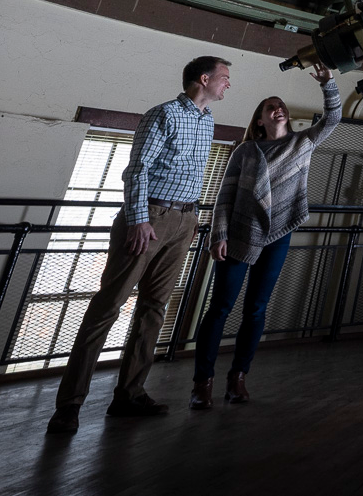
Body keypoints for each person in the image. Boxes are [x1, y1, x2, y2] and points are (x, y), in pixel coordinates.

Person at [47, 56, 231, 433]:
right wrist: (138, 219)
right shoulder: (162, 114)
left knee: (154, 309)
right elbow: (137, 170)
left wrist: (191, 222)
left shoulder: (207, 119)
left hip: (184, 221)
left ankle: (129, 395)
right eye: (225, 78)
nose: (229, 85)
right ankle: (68, 406)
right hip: (150, 218)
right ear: (204, 78)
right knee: (107, 307)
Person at [189, 61, 341, 409]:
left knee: (256, 309)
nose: (278, 109)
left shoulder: (302, 143)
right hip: (240, 235)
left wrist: (328, 83)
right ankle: (202, 382)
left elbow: (332, 119)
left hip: (278, 235)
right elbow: (225, 196)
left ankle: (238, 377)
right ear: (259, 119)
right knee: (220, 308)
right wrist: (218, 235)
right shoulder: (246, 151)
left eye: (281, 106)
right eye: (270, 107)